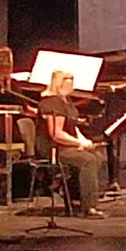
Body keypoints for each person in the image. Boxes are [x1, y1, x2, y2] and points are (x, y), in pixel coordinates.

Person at [37, 70, 104, 218]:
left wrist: (84, 141)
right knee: (88, 160)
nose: (70, 88)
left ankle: (73, 195)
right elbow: (56, 134)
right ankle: (88, 207)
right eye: (66, 85)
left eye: (71, 85)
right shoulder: (52, 103)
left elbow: (72, 127)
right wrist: (77, 143)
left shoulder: (66, 102)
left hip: (66, 145)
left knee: (97, 156)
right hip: (54, 148)